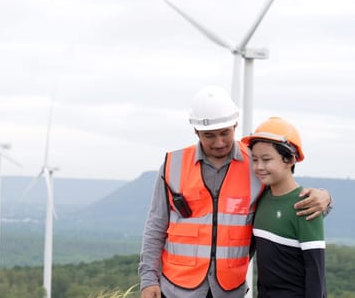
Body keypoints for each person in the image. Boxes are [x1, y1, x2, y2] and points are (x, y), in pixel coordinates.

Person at [138, 86, 332, 298]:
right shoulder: (172, 165)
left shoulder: (255, 164)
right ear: (196, 131)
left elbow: (286, 193)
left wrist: (325, 198)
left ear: (235, 125)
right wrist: (148, 279)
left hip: (229, 291)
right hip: (176, 289)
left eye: (225, 133)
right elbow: (155, 225)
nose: (219, 142)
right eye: (209, 136)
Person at [242, 117, 326, 297]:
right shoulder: (261, 197)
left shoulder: (306, 204)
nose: (258, 167)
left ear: (289, 160)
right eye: (255, 159)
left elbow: (316, 273)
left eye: (266, 159)